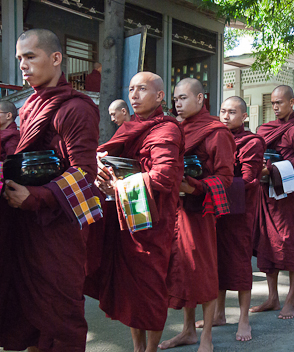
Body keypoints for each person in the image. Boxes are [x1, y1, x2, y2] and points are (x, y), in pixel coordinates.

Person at [0, 29, 101, 352]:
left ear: (56, 58)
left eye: (30, 56)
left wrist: (37, 197)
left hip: (57, 228)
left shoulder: (76, 108)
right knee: (30, 320)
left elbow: (84, 173)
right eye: (19, 59)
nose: (23, 65)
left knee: (60, 321)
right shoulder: (30, 106)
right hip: (26, 227)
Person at [90, 72, 184, 352]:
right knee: (132, 291)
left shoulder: (166, 130)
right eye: (131, 89)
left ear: (159, 96)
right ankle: (137, 348)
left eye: (142, 89)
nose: (134, 95)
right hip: (127, 214)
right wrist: (104, 173)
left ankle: (151, 350)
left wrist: (119, 186)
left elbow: (165, 177)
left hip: (153, 221)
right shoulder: (130, 126)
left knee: (151, 289)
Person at [160, 78, 235, 352]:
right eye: (175, 99)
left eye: (183, 98)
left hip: (200, 210)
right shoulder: (174, 129)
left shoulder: (217, 132)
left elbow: (225, 178)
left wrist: (192, 187)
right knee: (181, 271)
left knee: (202, 270)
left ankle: (206, 338)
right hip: (174, 210)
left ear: (201, 99)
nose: (177, 103)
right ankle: (188, 331)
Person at [197, 96, 265, 341]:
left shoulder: (252, 142)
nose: (225, 116)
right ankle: (219, 313)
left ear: (244, 116)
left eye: (232, 112)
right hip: (215, 207)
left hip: (239, 210)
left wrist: (212, 184)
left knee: (239, 263)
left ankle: (244, 319)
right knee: (217, 261)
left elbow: (248, 179)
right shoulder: (214, 136)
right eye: (223, 111)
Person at [251, 85, 294, 318]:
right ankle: (272, 298)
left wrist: (270, 171)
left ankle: (290, 299)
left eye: (280, 102)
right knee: (268, 243)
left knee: (291, 243)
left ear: (292, 102)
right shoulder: (264, 128)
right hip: (266, 192)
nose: (275, 107)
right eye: (273, 103)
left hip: (289, 192)